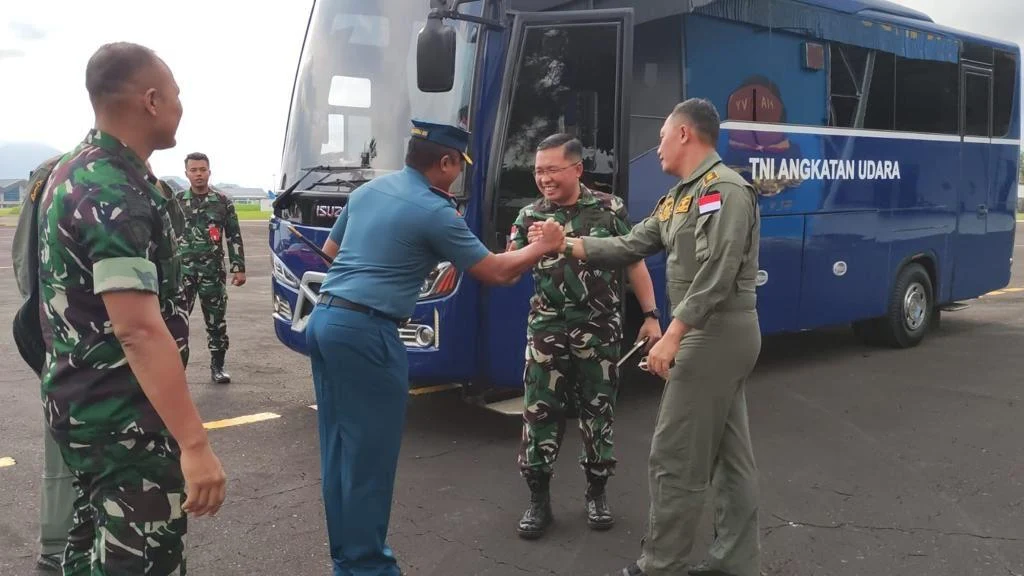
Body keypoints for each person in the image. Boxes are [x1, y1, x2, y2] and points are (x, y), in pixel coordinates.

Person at [310, 119, 566, 576]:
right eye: (458, 165)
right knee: (370, 458)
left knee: (339, 451)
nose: (459, 173)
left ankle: (347, 560)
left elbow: (332, 251)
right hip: (369, 333)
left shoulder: (370, 191)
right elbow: (497, 272)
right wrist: (542, 246)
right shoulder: (434, 211)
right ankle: (367, 568)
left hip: (326, 320)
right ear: (445, 162)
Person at [529, 98, 762, 576]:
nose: (655, 146)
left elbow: (717, 275)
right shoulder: (679, 197)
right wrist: (567, 244)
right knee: (730, 455)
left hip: (712, 332)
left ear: (684, 134)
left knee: (674, 454)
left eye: (660, 136)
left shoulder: (725, 191)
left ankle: (662, 565)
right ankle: (735, 563)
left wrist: (672, 335)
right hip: (709, 332)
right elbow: (631, 245)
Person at [36, 41, 226, 575]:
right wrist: (194, 444)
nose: (179, 106)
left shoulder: (70, 169)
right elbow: (138, 329)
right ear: (150, 100)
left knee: (93, 550)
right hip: (123, 422)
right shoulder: (112, 187)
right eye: (175, 95)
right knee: (141, 560)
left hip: (82, 408)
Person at [506, 133, 662, 538]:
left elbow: (633, 263)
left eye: (552, 170)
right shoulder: (528, 218)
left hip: (598, 332)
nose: (544, 178)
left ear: (577, 168)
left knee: (599, 414)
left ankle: (597, 492)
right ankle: (538, 500)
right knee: (539, 415)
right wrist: (537, 248)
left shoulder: (610, 210)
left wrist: (651, 315)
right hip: (547, 332)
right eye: (539, 171)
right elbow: (510, 270)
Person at [11, 157, 76, 573]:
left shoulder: (49, 174)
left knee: (61, 449)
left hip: (56, 341)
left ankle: (55, 550)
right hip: (87, 348)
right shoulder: (86, 174)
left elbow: (23, 266)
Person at [175, 151, 246, 384]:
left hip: (212, 274)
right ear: (186, 173)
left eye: (202, 170)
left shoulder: (223, 202)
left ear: (209, 172)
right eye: (193, 170)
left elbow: (233, 236)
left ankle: (218, 366)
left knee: (216, 322)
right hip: (182, 273)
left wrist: (238, 267)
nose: (198, 174)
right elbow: (163, 236)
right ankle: (176, 370)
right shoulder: (176, 202)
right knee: (176, 322)